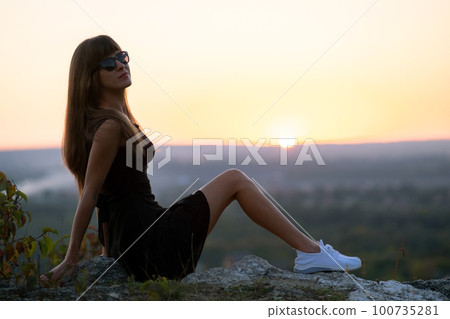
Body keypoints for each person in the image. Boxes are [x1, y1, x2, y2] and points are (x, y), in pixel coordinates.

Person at [41, 35, 361, 283]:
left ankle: (311, 252)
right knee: (235, 178)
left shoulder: (116, 119)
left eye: (121, 56)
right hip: (152, 245)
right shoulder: (109, 127)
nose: (121, 64)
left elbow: (112, 197)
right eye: (108, 63)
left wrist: (109, 255)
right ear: (90, 77)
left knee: (230, 180)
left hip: (142, 244)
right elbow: (92, 196)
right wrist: (72, 260)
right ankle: (310, 253)